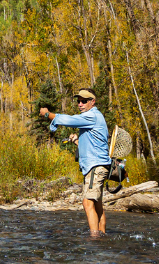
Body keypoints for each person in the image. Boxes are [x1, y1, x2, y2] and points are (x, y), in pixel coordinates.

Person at [39, 88, 111, 237]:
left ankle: (94, 239)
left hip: (95, 168)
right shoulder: (92, 118)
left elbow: (69, 120)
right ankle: (102, 236)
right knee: (97, 205)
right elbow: (95, 145)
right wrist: (77, 141)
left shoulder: (92, 116)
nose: (80, 104)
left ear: (93, 102)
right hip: (97, 166)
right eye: (78, 101)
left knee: (87, 203)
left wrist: (48, 114)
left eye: (84, 101)